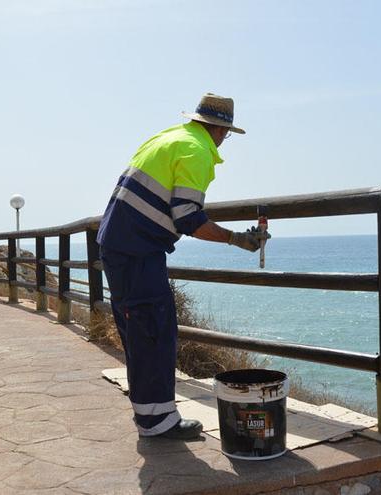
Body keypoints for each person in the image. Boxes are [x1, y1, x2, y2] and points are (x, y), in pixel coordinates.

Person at [97, 93, 264, 440]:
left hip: (123, 244)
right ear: (220, 130)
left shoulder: (169, 137)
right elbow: (188, 217)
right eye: (226, 134)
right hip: (137, 250)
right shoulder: (197, 152)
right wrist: (236, 239)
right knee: (154, 332)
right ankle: (156, 423)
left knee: (142, 331)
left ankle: (151, 415)